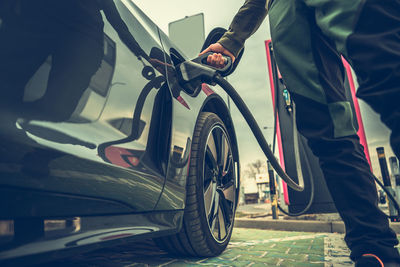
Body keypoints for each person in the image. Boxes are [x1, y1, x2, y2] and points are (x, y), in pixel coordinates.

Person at [200, 0, 400, 266]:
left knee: (389, 69)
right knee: (329, 130)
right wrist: (232, 40)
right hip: (287, 14)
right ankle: (373, 246)